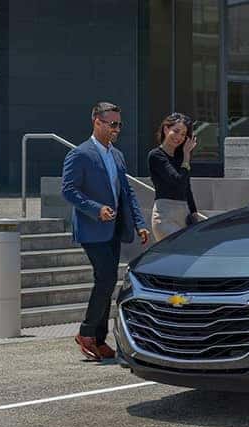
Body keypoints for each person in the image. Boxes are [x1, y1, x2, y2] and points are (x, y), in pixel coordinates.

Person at [61, 102, 150, 362]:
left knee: (108, 280)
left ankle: (97, 339)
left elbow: (127, 192)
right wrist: (95, 208)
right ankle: (87, 334)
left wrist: (140, 222)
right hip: (92, 229)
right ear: (96, 122)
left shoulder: (117, 155)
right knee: (106, 278)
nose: (117, 129)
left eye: (119, 124)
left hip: (114, 228)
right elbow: (68, 190)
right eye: (112, 124)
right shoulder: (80, 154)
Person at [149, 112, 199, 241]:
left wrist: (194, 213)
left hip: (185, 215)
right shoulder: (156, 155)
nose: (179, 137)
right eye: (176, 131)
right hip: (165, 215)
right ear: (166, 129)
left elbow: (186, 188)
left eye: (183, 134)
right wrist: (187, 156)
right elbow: (177, 181)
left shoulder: (181, 157)